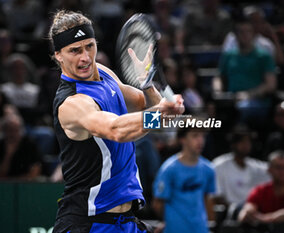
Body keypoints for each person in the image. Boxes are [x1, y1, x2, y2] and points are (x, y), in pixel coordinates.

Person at [48, 10, 184, 233]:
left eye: (89, 46)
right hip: (88, 223)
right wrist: (160, 112)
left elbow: (150, 115)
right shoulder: (72, 103)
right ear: (58, 55)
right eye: (75, 51)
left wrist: (148, 84)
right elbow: (116, 130)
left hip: (127, 222)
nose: (85, 57)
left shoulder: (104, 74)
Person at [152, 126, 216, 233]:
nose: (200, 140)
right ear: (182, 139)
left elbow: (207, 200)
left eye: (202, 136)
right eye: (195, 135)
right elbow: (158, 204)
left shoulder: (209, 169)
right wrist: (170, 221)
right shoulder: (169, 169)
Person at [213, 125, 270, 219]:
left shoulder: (256, 166)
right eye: (242, 141)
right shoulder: (219, 165)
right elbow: (216, 197)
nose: (246, 145)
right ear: (233, 144)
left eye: (248, 142)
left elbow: (279, 169)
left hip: (254, 214)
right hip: (229, 216)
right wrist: (235, 211)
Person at [238, 150, 284, 225]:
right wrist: (248, 211)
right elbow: (247, 210)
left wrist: (264, 218)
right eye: (278, 167)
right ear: (269, 170)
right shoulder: (260, 191)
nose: (282, 171)